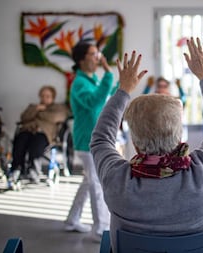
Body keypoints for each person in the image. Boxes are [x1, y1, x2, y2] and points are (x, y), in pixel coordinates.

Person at [90, 37, 203, 253]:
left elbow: (101, 138)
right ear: (179, 138)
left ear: (136, 144)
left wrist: (124, 89)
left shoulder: (117, 180)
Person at [64, 42, 114, 241]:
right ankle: (101, 228)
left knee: (89, 181)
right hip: (87, 140)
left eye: (97, 54)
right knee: (96, 183)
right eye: (94, 54)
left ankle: (71, 220)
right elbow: (94, 101)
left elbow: (104, 97)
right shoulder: (79, 83)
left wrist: (117, 84)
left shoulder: (92, 79)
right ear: (81, 59)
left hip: (95, 138)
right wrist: (109, 74)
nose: (98, 58)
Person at [9, 85, 69, 187]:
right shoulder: (33, 106)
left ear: (53, 97)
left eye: (48, 96)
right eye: (43, 96)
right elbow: (24, 117)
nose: (44, 98)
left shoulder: (58, 108)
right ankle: (16, 169)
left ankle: (33, 172)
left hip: (45, 134)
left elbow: (55, 117)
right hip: (28, 131)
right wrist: (36, 109)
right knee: (20, 141)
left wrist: (39, 112)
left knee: (36, 144)